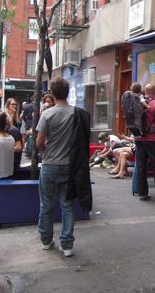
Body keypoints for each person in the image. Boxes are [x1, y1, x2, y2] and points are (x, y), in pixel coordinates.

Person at [36, 77, 92, 257]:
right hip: (69, 165)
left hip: (50, 165)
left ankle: (46, 240)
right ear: (67, 93)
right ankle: (67, 244)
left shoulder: (47, 114)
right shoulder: (76, 113)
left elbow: (39, 142)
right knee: (67, 204)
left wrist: (46, 151)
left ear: (52, 93)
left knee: (46, 204)